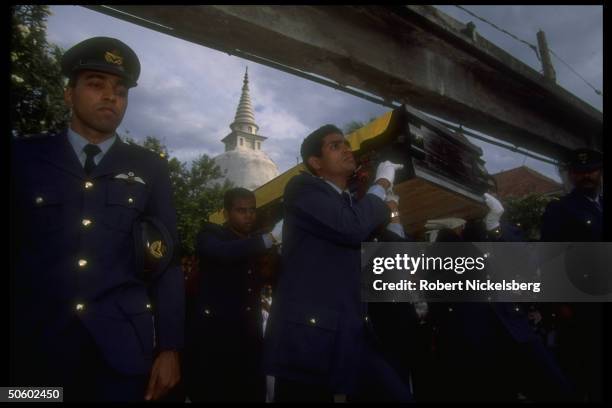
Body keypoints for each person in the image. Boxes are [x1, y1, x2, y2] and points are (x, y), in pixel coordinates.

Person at [10, 37, 184, 402]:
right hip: (32, 350)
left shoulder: (150, 168)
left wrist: (170, 347)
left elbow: (167, 262)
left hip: (119, 356)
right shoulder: (23, 157)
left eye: (120, 90)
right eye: (95, 84)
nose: (111, 96)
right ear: (68, 94)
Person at [262, 124, 412, 402]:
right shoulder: (302, 188)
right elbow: (350, 228)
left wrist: (392, 215)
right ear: (315, 163)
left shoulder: (352, 204)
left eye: (346, 143)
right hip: (308, 340)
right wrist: (381, 185)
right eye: (335, 145)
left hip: (353, 332)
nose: (346, 149)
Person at [185, 187, 282, 402]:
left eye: (252, 210)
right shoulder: (211, 235)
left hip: (249, 342)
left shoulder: (256, 241)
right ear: (226, 213)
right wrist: (270, 238)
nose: (249, 215)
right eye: (241, 210)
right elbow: (224, 252)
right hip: (216, 344)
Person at [539, 148, 604, 401]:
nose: (586, 176)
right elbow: (550, 257)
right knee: (584, 372)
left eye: (592, 170)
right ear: (572, 176)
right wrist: (560, 303)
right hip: (582, 305)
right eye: (580, 172)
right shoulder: (561, 209)